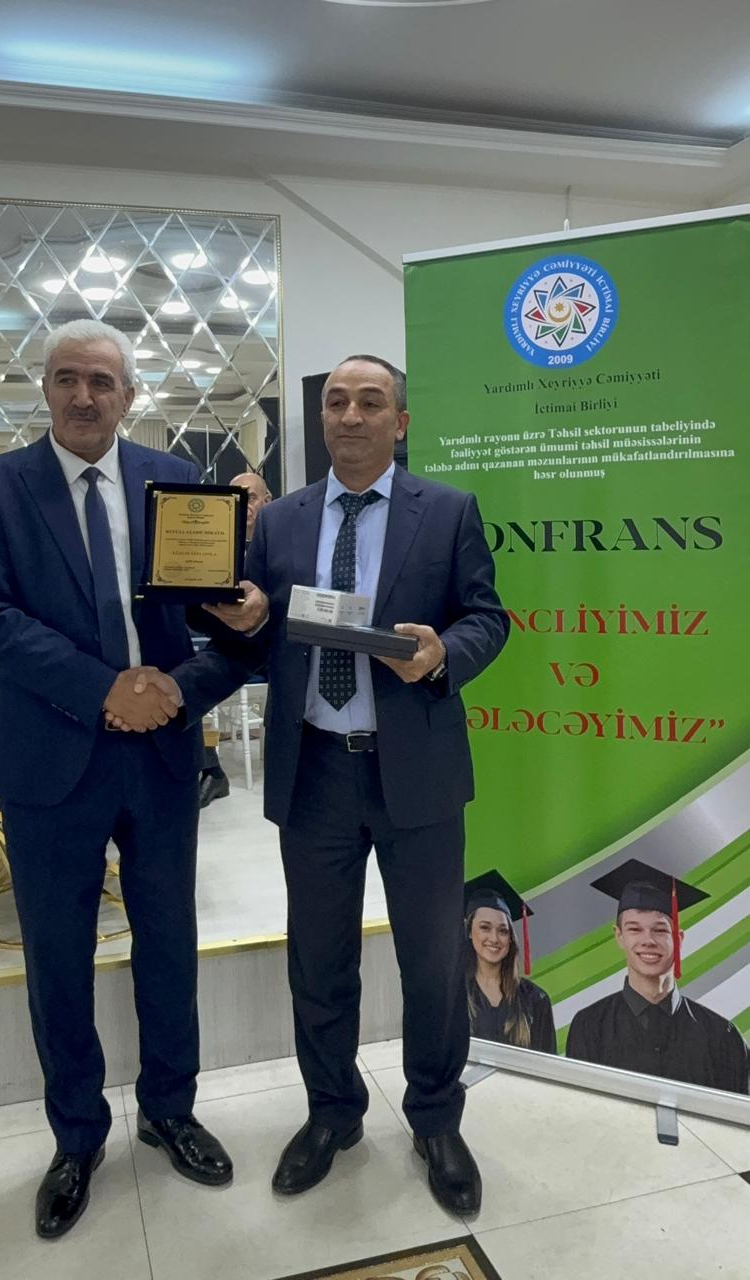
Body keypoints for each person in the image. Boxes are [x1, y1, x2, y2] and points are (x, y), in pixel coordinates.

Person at [0, 319, 259, 1241]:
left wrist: (218, 635)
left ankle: (170, 1110)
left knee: (168, 942)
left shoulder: (176, 484)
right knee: (57, 957)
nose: (83, 396)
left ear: (129, 396)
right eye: (66, 379)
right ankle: (76, 1138)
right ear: (44, 389)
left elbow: (215, 616)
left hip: (159, 753)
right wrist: (104, 690)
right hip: (51, 755)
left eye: (101, 381)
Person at [203, 354, 509, 1214]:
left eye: (370, 402)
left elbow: (487, 618)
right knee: (319, 960)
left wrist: (444, 653)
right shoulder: (281, 522)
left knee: (431, 963)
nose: (349, 415)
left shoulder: (446, 511)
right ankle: (332, 1113)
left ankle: (435, 1119)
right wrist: (240, 620)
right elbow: (253, 632)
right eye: (336, 401)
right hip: (315, 774)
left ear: (399, 422)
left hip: (416, 773)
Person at [566, 858, 749, 1094]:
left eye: (660, 930)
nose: (648, 940)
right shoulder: (590, 1027)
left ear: (678, 939)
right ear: (619, 936)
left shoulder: (722, 1036)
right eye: (635, 929)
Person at [199, 469, 272, 807]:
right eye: (237, 499)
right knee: (180, 677)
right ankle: (209, 767)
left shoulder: (282, 546)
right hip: (230, 644)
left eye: (251, 497)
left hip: (272, 649)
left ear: (268, 501)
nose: (244, 505)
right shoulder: (218, 548)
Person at [463, 870, 556, 1053]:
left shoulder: (535, 1000)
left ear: (511, 938)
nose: (494, 938)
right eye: (485, 928)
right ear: (469, 932)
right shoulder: (454, 996)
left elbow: (548, 1064)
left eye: (503, 931)